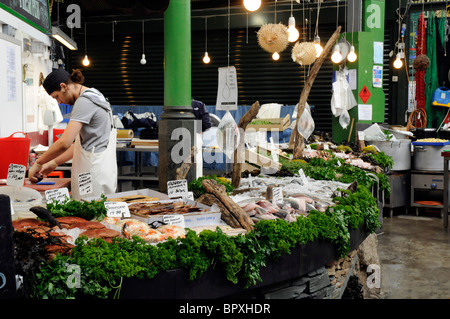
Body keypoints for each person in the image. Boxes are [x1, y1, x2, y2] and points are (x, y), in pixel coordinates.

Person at [28, 68, 117, 200]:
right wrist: (53, 163)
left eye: (56, 96)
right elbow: (80, 145)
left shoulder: (84, 102)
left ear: (63, 87)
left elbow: (64, 143)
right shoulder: (95, 94)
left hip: (93, 176)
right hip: (102, 172)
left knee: (90, 217)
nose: (58, 102)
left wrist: (39, 163)